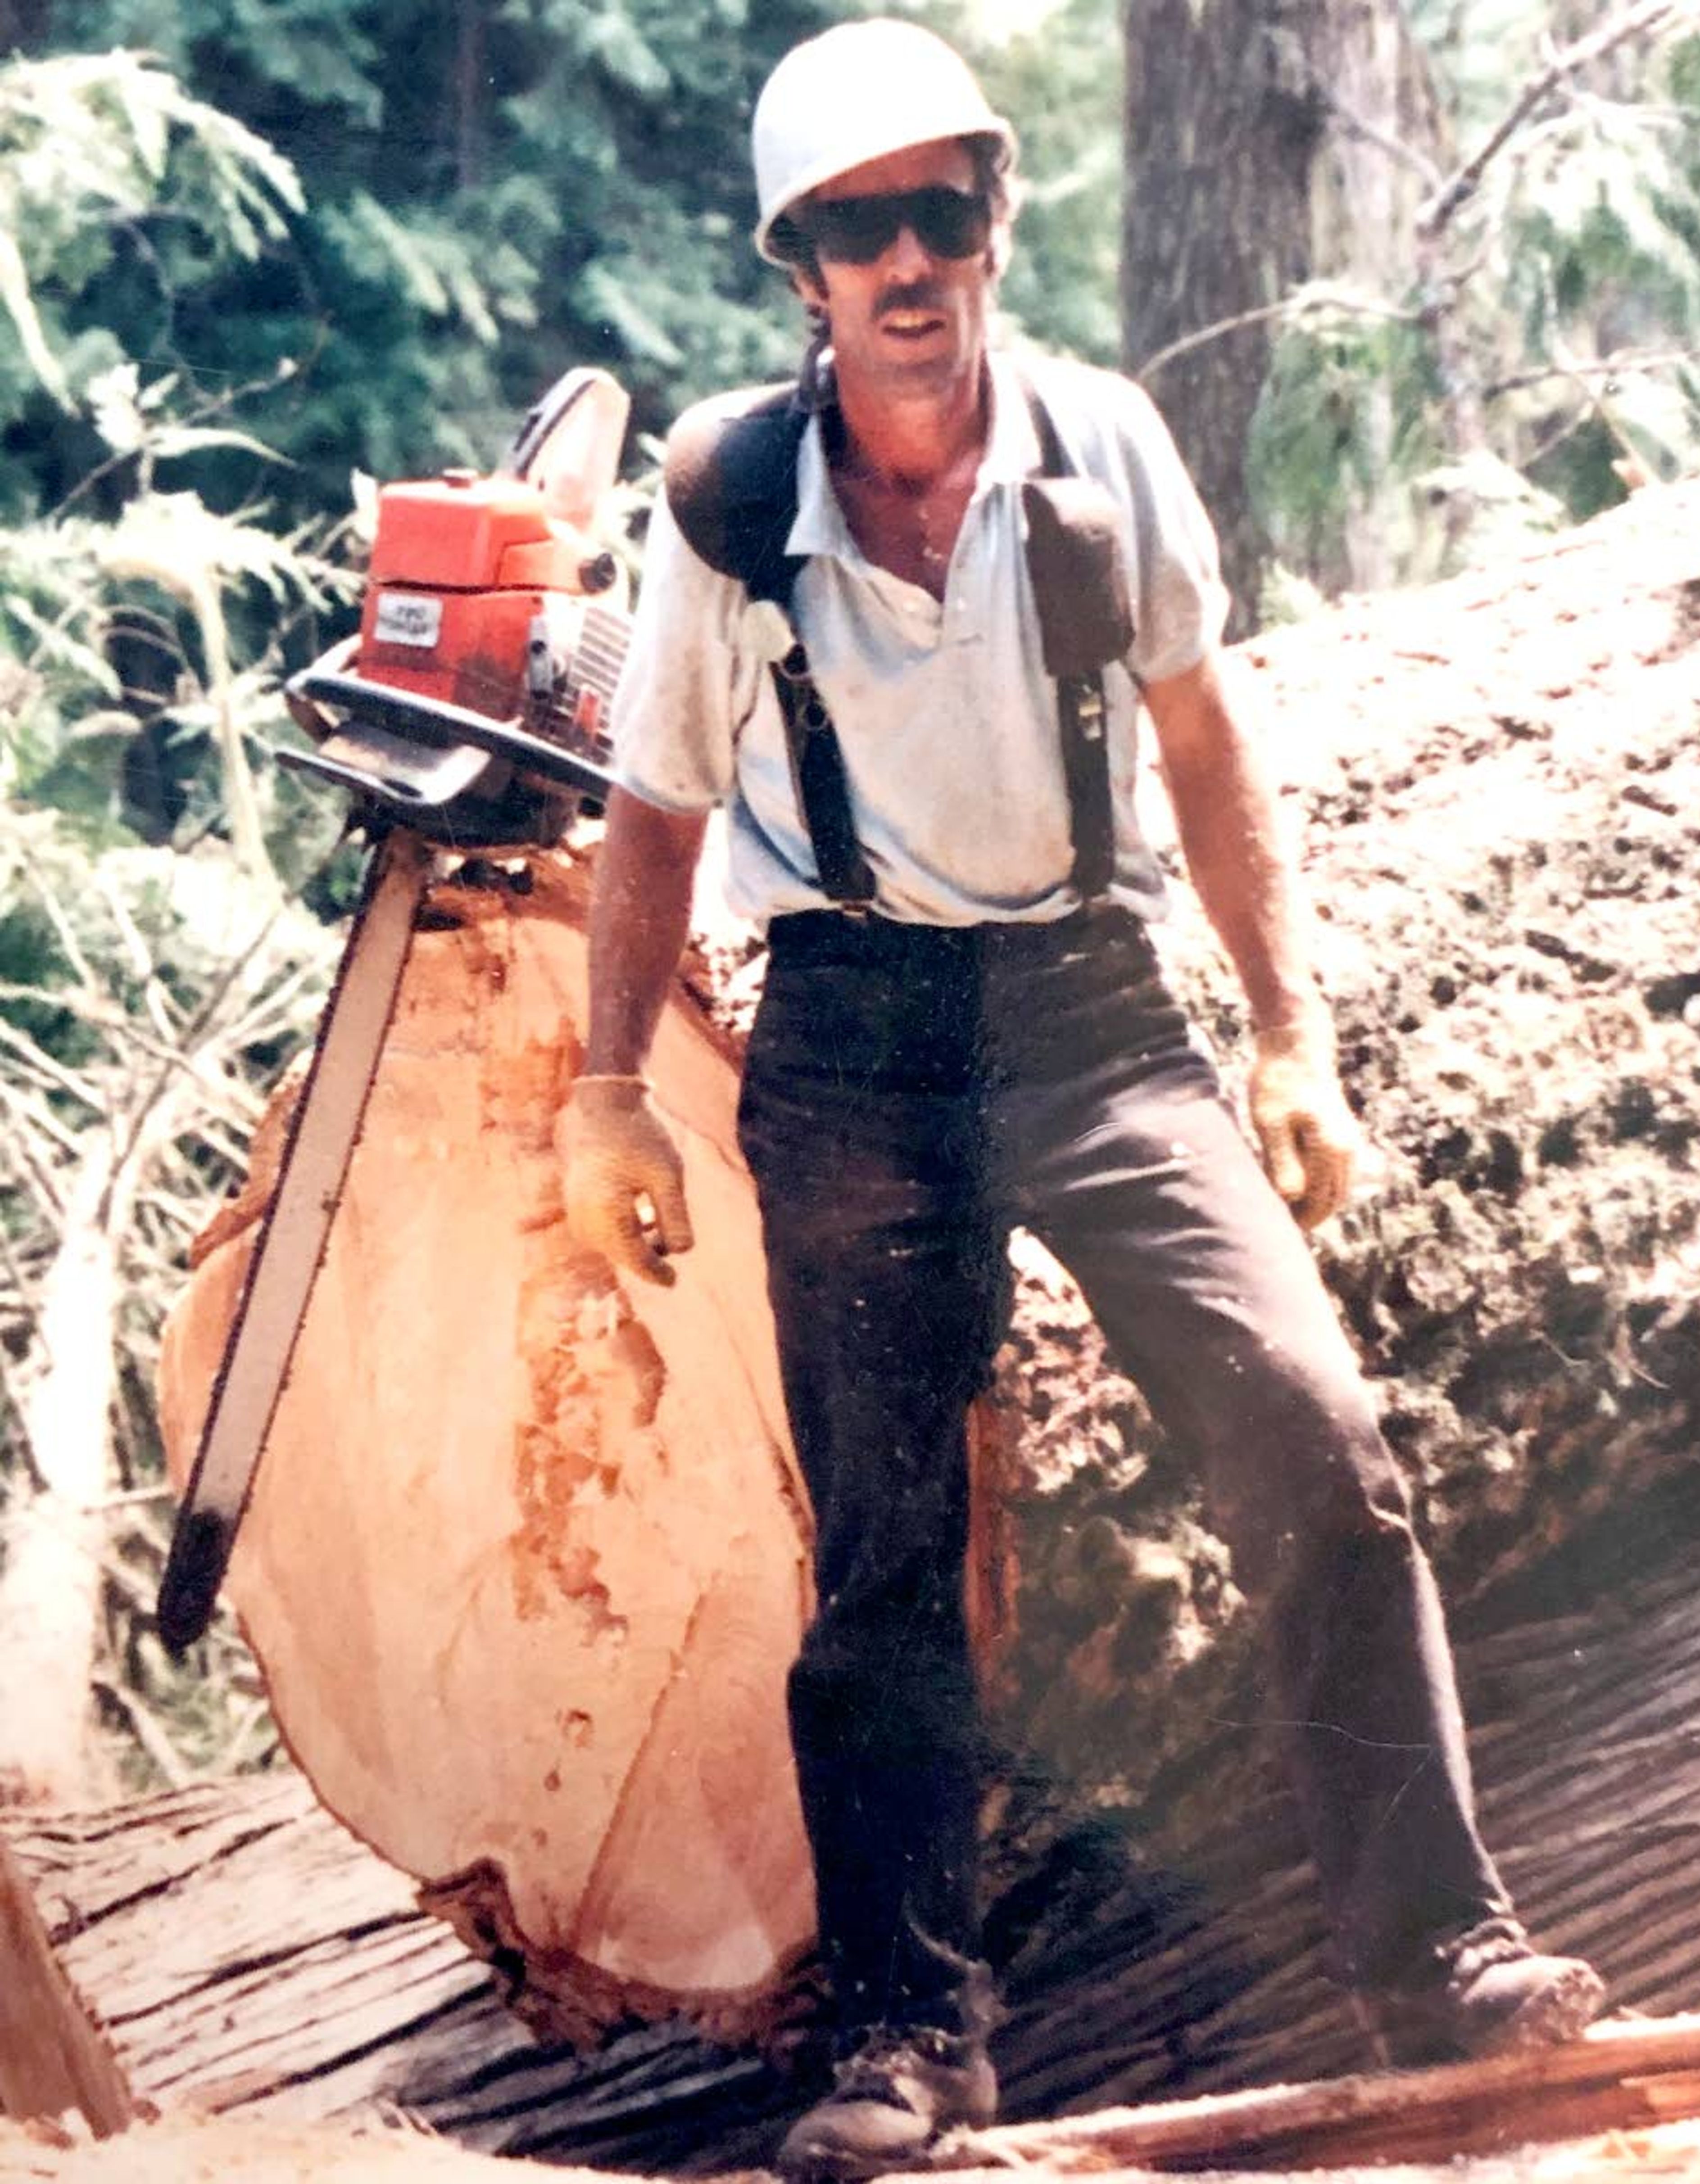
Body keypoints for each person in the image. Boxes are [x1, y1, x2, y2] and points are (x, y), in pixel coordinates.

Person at [553, 19, 1605, 2179]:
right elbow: (653, 809)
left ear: (996, 223)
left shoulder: (1100, 446)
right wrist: (605, 1090)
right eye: (860, 228)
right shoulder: (733, 507)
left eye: (943, 212)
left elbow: (1207, 744)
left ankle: (1440, 1950)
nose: (909, 262)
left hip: (1094, 1008)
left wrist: (1291, 1034)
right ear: (800, 268)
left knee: (1316, 1439)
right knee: (883, 1561)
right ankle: (909, 2036)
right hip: (853, 1030)